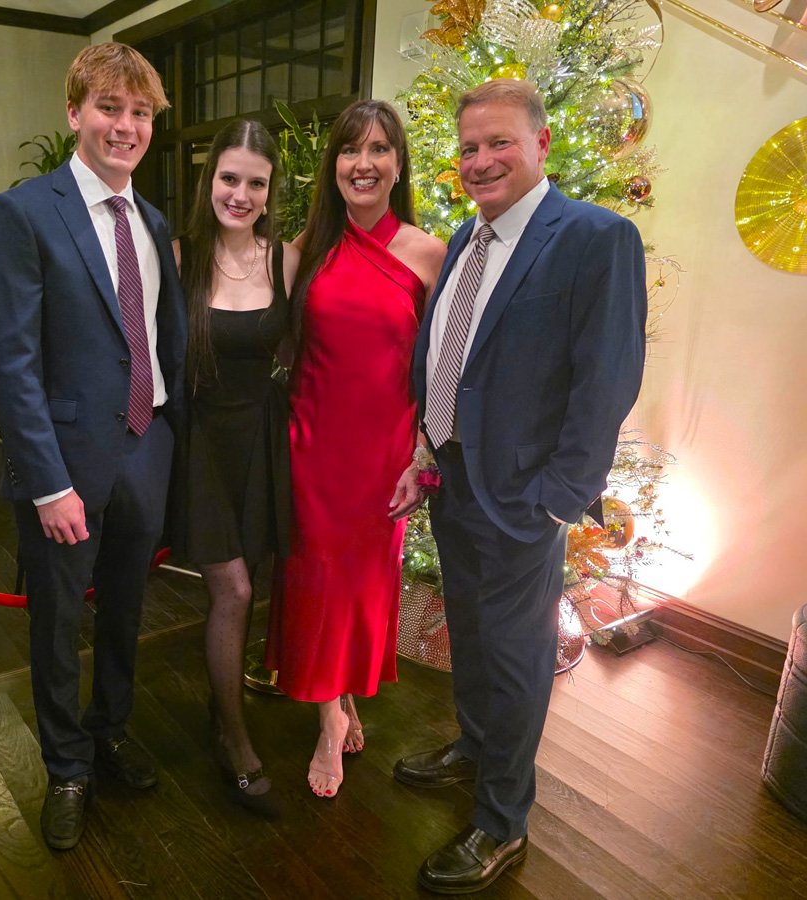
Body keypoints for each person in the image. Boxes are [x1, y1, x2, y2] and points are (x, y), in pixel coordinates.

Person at [396, 79, 647, 894]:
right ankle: (474, 745)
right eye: (468, 148)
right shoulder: (466, 241)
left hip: (523, 496)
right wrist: (428, 447)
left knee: (515, 654)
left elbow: (606, 378)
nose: (480, 160)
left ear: (540, 144)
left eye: (498, 142)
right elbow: (450, 355)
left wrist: (556, 496)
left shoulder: (593, 238)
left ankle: (501, 822)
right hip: (455, 477)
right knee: (470, 631)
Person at [0, 42, 186, 851]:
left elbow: (161, 344)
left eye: (139, 113)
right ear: (74, 113)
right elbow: (12, 363)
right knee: (59, 623)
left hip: (147, 446)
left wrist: (168, 438)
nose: (125, 126)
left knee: (128, 613)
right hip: (64, 469)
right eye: (109, 108)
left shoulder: (155, 221)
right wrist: (46, 482)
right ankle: (65, 765)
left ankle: (109, 732)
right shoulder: (24, 212)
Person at [264, 99, 446, 800]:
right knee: (314, 585)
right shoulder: (304, 248)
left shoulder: (429, 252)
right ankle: (329, 717)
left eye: (378, 150)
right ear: (332, 166)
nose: (362, 163)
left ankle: (341, 698)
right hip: (310, 446)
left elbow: (443, 368)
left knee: (361, 588)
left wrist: (422, 458)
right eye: (349, 151)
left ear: (399, 164)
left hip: (383, 458)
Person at [172, 119, 299, 819]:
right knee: (235, 591)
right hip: (200, 444)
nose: (240, 194)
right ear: (209, 180)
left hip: (263, 437)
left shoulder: (285, 259)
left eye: (255, 182)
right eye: (229, 178)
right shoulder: (179, 255)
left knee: (257, 580)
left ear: (269, 189)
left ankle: (219, 707)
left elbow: (313, 347)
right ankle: (235, 740)